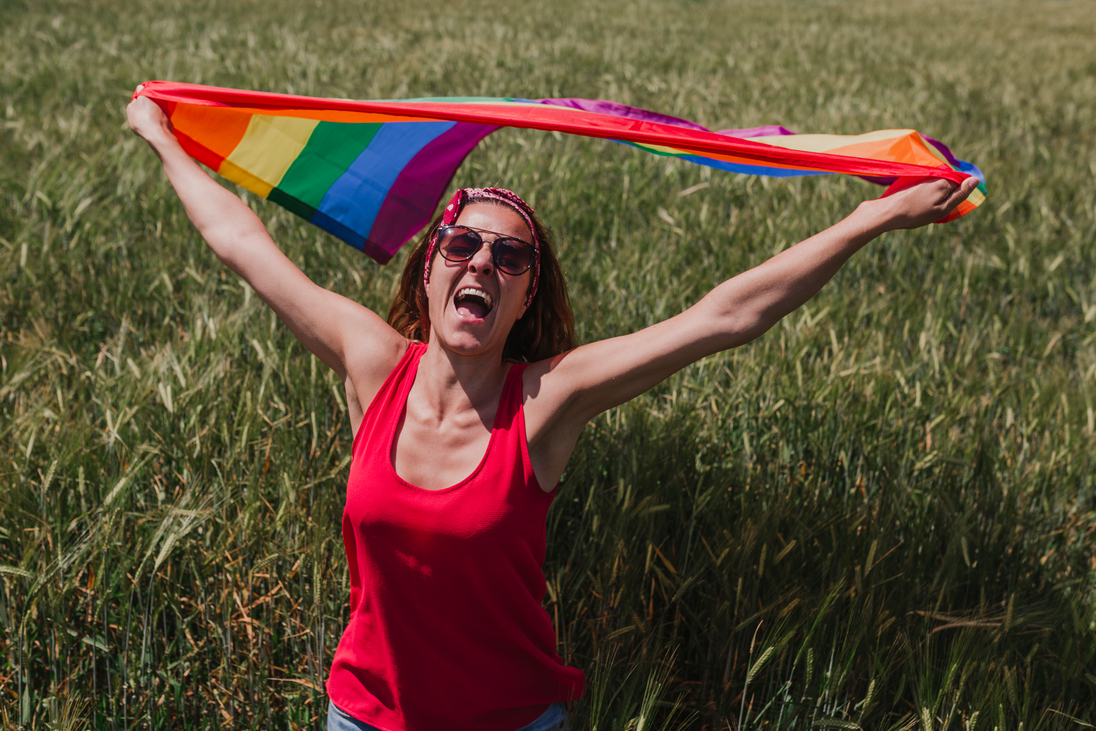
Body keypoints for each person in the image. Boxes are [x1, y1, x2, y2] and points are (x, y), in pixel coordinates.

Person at [125, 93, 978, 731]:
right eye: (462, 245)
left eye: (510, 256)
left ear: (527, 293)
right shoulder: (372, 362)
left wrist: (875, 216)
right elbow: (240, 241)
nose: (483, 264)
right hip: (362, 718)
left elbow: (725, 317)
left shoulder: (546, 401)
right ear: (429, 272)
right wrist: (163, 136)